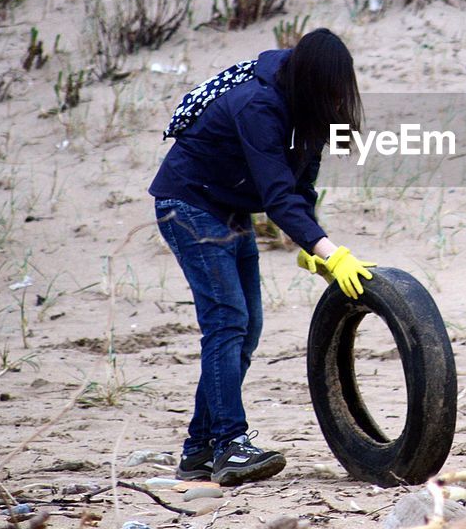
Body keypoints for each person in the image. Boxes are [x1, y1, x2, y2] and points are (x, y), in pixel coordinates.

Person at [149, 28, 376, 486]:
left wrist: (314, 245)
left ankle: (199, 450)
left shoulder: (308, 111)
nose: (337, 100)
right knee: (227, 320)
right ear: (311, 80)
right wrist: (330, 251)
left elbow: (300, 190)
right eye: (330, 89)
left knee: (246, 326)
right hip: (190, 203)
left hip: (228, 207)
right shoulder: (260, 105)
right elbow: (276, 197)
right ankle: (231, 444)